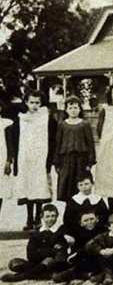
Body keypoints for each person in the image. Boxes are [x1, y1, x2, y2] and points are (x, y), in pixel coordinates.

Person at [12, 91, 56, 230]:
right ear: (26, 102)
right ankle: (29, 218)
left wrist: (49, 159)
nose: (35, 105)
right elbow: (16, 139)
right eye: (32, 102)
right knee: (28, 187)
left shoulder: (46, 118)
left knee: (39, 187)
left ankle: (38, 218)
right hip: (25, 158)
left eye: (37, 102)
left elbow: (52, 139)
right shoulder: (21, 119)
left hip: (41, 158)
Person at [1, 204, 67, 282]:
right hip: (36, 263)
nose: (50, 219)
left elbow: (60, 253)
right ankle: (43, 275)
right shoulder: (37, 232)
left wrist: (40, 251)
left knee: (49, 260)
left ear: (57, 216)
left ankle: (20, 277)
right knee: (14, 263)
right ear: (42, 217)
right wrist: (51, 250)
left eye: (53, 216)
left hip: (52, 264)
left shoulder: (60, 231)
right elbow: (30, 254)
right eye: (47, 216)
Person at [54, 96, 96, 202]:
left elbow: (90, 143)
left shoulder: (84, 124)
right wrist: (57, 162)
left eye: (76, 108)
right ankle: (69, 209)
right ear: (66, 110)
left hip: (81, 159)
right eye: (70, 108)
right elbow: (58, 143)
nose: (73, 110)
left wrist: (90, 162)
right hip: (66, 160)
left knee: (80, 183)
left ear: (80, 109)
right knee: (67, 184)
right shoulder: (62, 125)